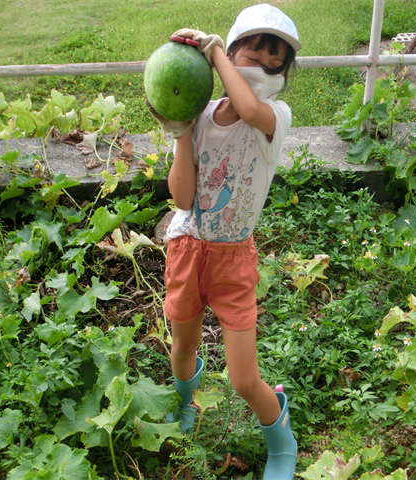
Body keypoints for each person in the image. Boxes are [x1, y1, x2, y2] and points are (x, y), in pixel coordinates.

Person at [149, 4, 300, 479]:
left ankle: (282, 442)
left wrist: (214, 53)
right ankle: (184, 403)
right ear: (233, 54)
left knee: (243, 378)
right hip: (188, 248)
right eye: (251, 55)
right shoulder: (203, 118)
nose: (261, 68)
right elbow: (183, 198)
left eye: (274, 63)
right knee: (182, 347)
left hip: (233, 258)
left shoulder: (274, 117)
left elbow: (250, 107)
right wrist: (180, 129)